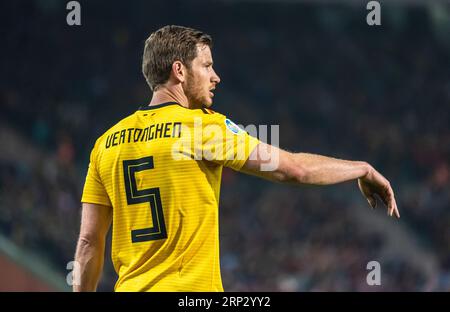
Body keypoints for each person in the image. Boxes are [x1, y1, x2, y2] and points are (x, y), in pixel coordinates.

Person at [74, 25, 399, 292]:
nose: (216, 77)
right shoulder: (203, 127)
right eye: (206, 66)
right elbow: (294, 169)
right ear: (179, 71)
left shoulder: (106, 144)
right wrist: (362, 168)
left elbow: (89, 241)